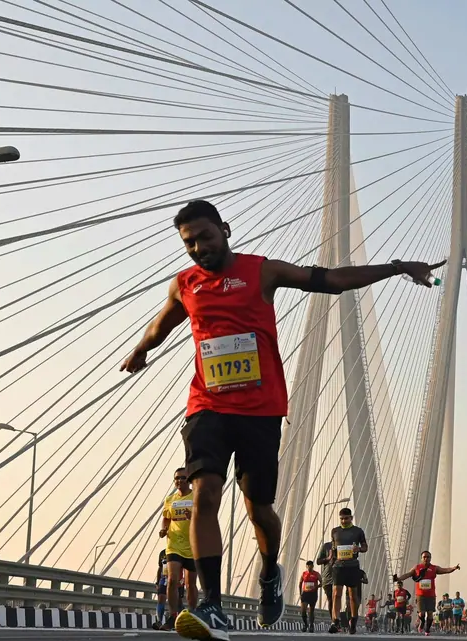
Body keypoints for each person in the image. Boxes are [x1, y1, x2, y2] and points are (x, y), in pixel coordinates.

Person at [121, 199, 444, 640]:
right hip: (207, 406)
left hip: (261, 410)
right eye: (189, 243)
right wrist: (141, 350)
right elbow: (163, 324)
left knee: (260, 511)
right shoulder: (185, 284)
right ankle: (211, 605)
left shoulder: (262, 271)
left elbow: (329, 280)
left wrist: (395, 267)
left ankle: (270, 568)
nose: (198, 248)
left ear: (226, 230)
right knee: (206, 494)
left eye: (205, 237)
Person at [159, 468, 198, 630]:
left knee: (190, 584)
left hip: (193, 545)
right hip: (174, 545)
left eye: (183, 478)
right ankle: (173, 616)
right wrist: (163, 529)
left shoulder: (195, 496)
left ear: (188, 480)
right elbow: (166, 518)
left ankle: (192, 614)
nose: (179, 481)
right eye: (177, 478)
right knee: (172, 580)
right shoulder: (170, 500)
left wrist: (193, 517)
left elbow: (204, 516)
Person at [393, 550, 460, 636]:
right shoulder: (417, 568)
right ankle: (422, 621)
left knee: (430, 614)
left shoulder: (434, 568)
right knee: (422, 613)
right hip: (420, 595)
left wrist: (454, 568)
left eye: (428, 557)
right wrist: (398, 579)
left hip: (431, 595)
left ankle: (427, 630)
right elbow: (407, 574)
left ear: (430, 558)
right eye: (424, 557)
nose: (426, 558)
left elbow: (445, 570)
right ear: (421, 558)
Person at [329, 507, 369, 634]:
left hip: (352, 566)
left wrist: (359, 549)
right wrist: (331, 559)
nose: (344, 521)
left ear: (351, 518)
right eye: (341, 519)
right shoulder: (335, 531)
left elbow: (365, 546)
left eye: (346, 518)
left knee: (352, 596)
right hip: (338, 566)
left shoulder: (358, 531)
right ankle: (335, 621)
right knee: (336, 594)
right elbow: (333, 548)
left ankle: (353, 619)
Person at [299, 560, 321, 632]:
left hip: (313, 594)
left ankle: (311, 625)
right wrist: (300, 593)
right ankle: (305, 624)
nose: (309, 568)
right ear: (306, 566)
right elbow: (300, 583)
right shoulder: (304, 574)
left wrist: (316, 587)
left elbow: (322, 582)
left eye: (311, 566)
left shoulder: (316, 574)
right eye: (308, 566)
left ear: (312, 566)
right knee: (303, 610)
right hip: (305, 593)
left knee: (311, 611)